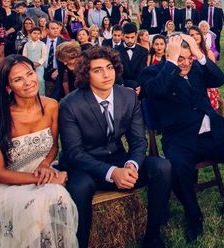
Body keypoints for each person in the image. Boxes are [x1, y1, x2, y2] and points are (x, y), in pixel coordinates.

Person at [142, 34, 224, 244]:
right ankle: (194, 215)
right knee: (179, 169)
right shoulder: (153, 73)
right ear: (170, 56)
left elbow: (220, 79)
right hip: (180, 138)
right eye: (181, 58)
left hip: (213, 133)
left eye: (189, 58)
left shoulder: (196, 66)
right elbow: (156, 90)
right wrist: (171, 63)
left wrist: (198, 54)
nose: (186, 63)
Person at [0, 55, 77, 247]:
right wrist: (46, 180)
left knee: (54, 196)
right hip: (5, 182)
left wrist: (45, 165)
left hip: (39, 170)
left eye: (30, 74)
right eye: (18, 79)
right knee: (51, 197)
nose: (28, 82)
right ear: (8, 87)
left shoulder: (52, 106)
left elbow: (53, 146)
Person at [59, 46, 172, 247]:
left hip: (119, 158)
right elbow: (74, 153)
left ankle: (152, 236)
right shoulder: (70, 104)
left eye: (109, 67)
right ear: (86, 74)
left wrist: (131, 165)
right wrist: (112, 173)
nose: (106, 74)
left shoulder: (128, 96)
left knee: (162, 167)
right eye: (97, 70)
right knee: (80, 187)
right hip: (86, 166)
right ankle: (81, 243)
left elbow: (138, 140)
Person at [116, 22, 149, 92]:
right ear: (122, 35)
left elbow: (142, 71)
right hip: (121, 88)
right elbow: (117, 72)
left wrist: (138, 86)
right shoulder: (115, 51)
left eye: (132, 37)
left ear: (136, 35)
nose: (130, 40)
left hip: (138, 89)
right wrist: (123, 86)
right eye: (127, 37)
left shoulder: (144, 51)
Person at [43, 21, 67, 99]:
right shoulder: (41, 42)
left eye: (57, 28)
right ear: (47, 30)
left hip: (58, 72)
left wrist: (58, 70)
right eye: (53, 28)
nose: (56, 30)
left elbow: (68, 60)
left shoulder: (64, 42)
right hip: (43, 70)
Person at [22, 27, 47, 95]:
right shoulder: (27, 44)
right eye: (34, 33)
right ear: (30, 34)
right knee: (30, 80)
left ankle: (42, 95)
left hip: (39, 66)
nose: (36, 35)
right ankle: (31, 94)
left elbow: (44, 56)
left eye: (38, 34)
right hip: (29, 66)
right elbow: (24, 55)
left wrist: (39, 63)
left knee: (40, 80)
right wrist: (29, 63)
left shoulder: (42, 44)